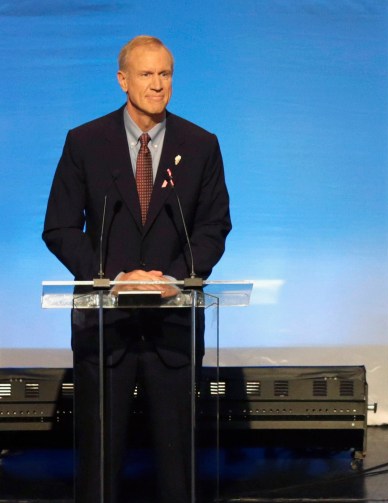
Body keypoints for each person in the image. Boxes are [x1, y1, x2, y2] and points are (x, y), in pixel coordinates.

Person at [43, 35, 231, 502]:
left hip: (173, 324)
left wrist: (174, 278)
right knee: (100, 459)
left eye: (165, 73)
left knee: (177, 460)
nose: (157, 84)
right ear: (123, 81)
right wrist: (112, 277)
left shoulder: (201, 144)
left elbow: (214, 226)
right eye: (146, 74)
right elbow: (60, 227)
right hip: (106, 324)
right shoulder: (85, 142)